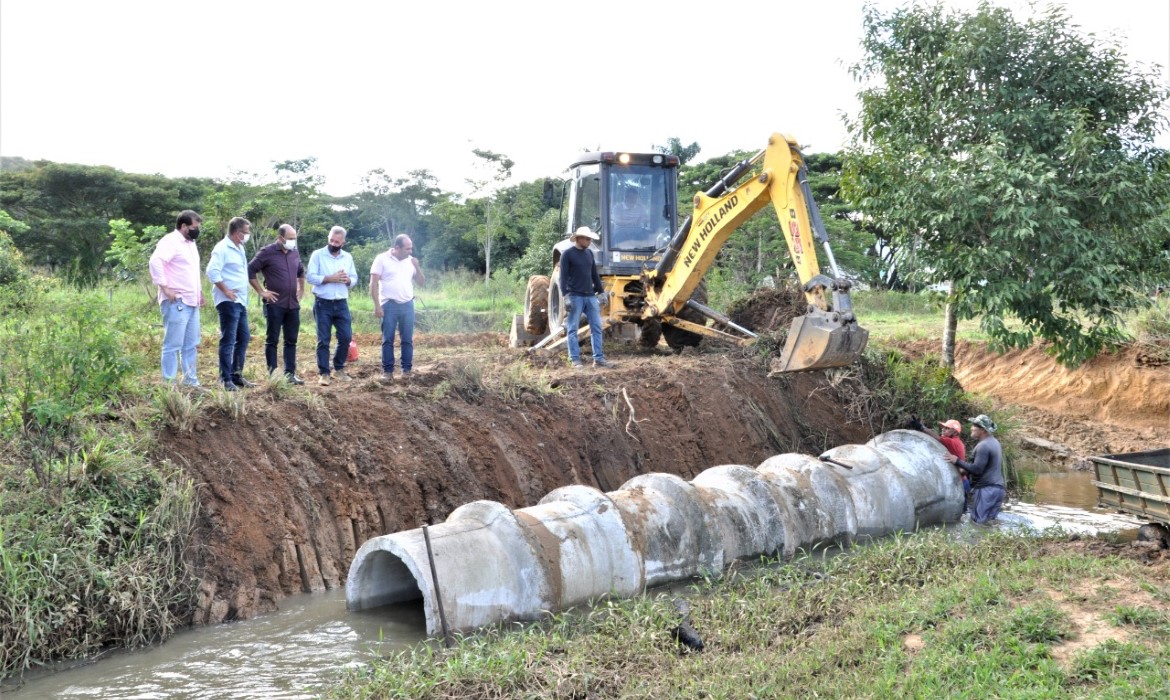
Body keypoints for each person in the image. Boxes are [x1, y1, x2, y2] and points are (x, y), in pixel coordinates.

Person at [148, 209, 204, 386]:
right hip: (176, 300)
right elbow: (155, 262)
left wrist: (199, 292)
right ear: (184, 226)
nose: (197, 230)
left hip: (191, 300)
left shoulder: (190, 243)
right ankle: (169, 385)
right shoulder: (170, 241)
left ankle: (191, 382)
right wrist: (165, 287)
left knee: (191, 344)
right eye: (195, 227)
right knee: (173, 344)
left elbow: (191, 271)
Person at [249, 224, 306, 384]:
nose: (293, 241)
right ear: (280, 238)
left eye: (294, 238)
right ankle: (273, 375)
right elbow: (251, 270)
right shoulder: (267, 252)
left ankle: (290, 374)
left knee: (291, 340)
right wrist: (261, 291)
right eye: (290, 238)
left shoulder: (294, 252)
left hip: (292, 304)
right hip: (275, 303)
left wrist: (301, 290)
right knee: (272, 339)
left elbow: (300, 271)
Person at [206, 217, 254, 391]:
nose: (247, 236)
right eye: (246, 232)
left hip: (240, 301)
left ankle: (236, 374)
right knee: (229, 339)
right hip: (228, 301)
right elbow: (211, 271)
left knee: (243, 337)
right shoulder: (222, 248)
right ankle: (225, 378)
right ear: (237, 232)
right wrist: (225, 290)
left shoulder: (239, 248)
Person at [307, 225, 358, 386]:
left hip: (341, 302)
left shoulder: (347, 257)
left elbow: (354, 278)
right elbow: (310, 277)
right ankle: (324, 373)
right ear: (328, 238)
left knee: (346, 337)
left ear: (343, 242)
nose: (333, 244)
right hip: (323, 303)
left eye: (337, 242)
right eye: (331, 240)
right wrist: (330, 278)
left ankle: (338, 368)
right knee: (324, 339)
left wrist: (347, 280)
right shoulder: (318, 255)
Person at [370, 234, 425, 381]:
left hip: (408, 304)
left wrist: (417, 267)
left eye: (411, 248)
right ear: (397, 248)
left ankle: (406, 371)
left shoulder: (410, 262)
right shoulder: (381, 259)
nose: (410, 251)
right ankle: (388, 372)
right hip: (389, 305)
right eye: (407, 248)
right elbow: (373, 284)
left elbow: (421, 282)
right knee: (388, 339)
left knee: (407, 339)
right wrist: (377, 306)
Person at [560, 226, 612, 369]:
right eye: (587, 239)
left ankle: (599, 359)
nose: (590, 241)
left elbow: (594, 275)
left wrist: (601, 292)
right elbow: (562, 277)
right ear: (579, 238)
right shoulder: (567, 255)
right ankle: (575, 359)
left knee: (597, 327)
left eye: (590, 239)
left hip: (590, 297)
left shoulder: (589, 254)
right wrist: (565, 296)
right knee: (572, 328)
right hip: (575, 296)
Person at [945, 414, 1005, 525]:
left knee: (977, 524)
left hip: (986, 489)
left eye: (974, 426)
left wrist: (957, 461)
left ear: (982, 430)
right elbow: (986, 467)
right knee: (990, 523)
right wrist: (964, 470)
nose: (971, 428)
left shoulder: (983, 446)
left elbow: (977, 469)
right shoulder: (995, 442)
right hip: (999, 489)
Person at [911, 415, 970, 508]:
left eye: (947, 428)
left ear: (954, 432)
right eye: (943, 428)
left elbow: (937, 438)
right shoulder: (957, 442)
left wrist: (921, 427)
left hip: (961, 483)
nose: (943, 430)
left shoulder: (953, 442)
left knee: (961, 513)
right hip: (962, 482)